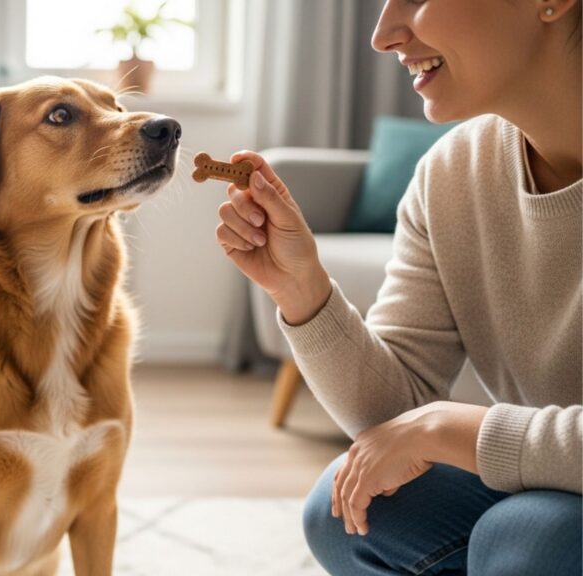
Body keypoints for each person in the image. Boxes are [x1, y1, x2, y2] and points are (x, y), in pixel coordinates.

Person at [216, 0, 582, 574]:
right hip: (559, 480)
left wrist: (447, 426)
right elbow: (394, 417)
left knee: (534, 539)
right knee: (349, 510)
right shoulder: (453, 173)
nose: (383, 34)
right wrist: (303, 292)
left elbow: (425, 425)